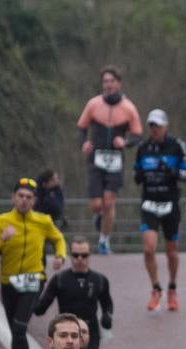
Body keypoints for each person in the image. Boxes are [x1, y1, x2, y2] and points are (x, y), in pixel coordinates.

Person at [0, 177, 66, 349]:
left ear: (34, 201)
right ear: (13, 197)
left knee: (19, 328)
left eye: (29, 197)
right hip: (8, 283)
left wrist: (60, 256)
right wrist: (1, 239)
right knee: (16, 334)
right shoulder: (1, 222)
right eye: (21, 196)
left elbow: (58, 238)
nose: (24, 200)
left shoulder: (43, 221)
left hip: (34, 280)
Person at [77, 65, 142, 254]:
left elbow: (138, 135)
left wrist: (126, 142)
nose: (108, 85)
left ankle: (104, 240)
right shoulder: (93, 104)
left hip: (115, 160)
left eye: (112, 81)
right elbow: (81, 127)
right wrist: (84, 143)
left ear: (119, 83)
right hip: (95, 158)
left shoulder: (128, 108)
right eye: (105, 81)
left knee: (109, 202)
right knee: (97, 204)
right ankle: (99, 216)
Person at [135, 108, 186, 312]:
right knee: (148, 248)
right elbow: (136, 174)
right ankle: (155, 288)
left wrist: (172, 171)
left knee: (171, 251)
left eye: (157, 126)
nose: (154, 129)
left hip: (170, 204)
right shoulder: (143, 148)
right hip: (149, 203)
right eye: (151, 126)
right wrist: (140, 174)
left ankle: (172, 288)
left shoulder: (177, 146)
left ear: (165, 126)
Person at [34, 237, 114, 349]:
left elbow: (107, 303)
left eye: (84, 255)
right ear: (70, 255)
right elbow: (40, 309)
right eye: (76, 255)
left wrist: (107, 316)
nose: (80, 259)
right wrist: (31, 294)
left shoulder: (99, 280)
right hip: (65, 332)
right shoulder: (59, 279)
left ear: (89, 255)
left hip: (89, 331)